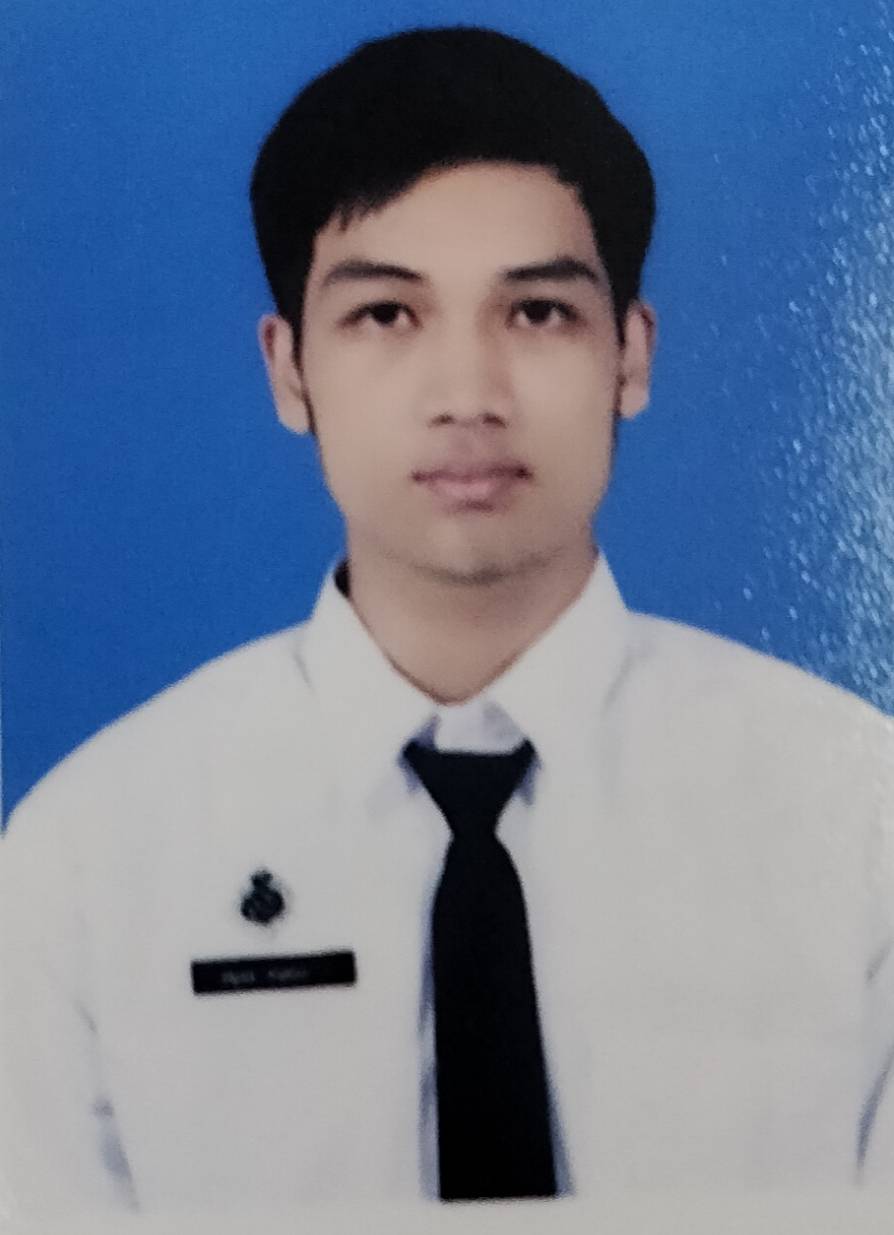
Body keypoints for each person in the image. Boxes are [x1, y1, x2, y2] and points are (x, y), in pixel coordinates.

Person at [1, 24, 891, 1221]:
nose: (468, 395)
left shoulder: (857, 823)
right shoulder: (88, 859)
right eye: (385, 315)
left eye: (538, 313)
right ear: (288, 368)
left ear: (630, 354)